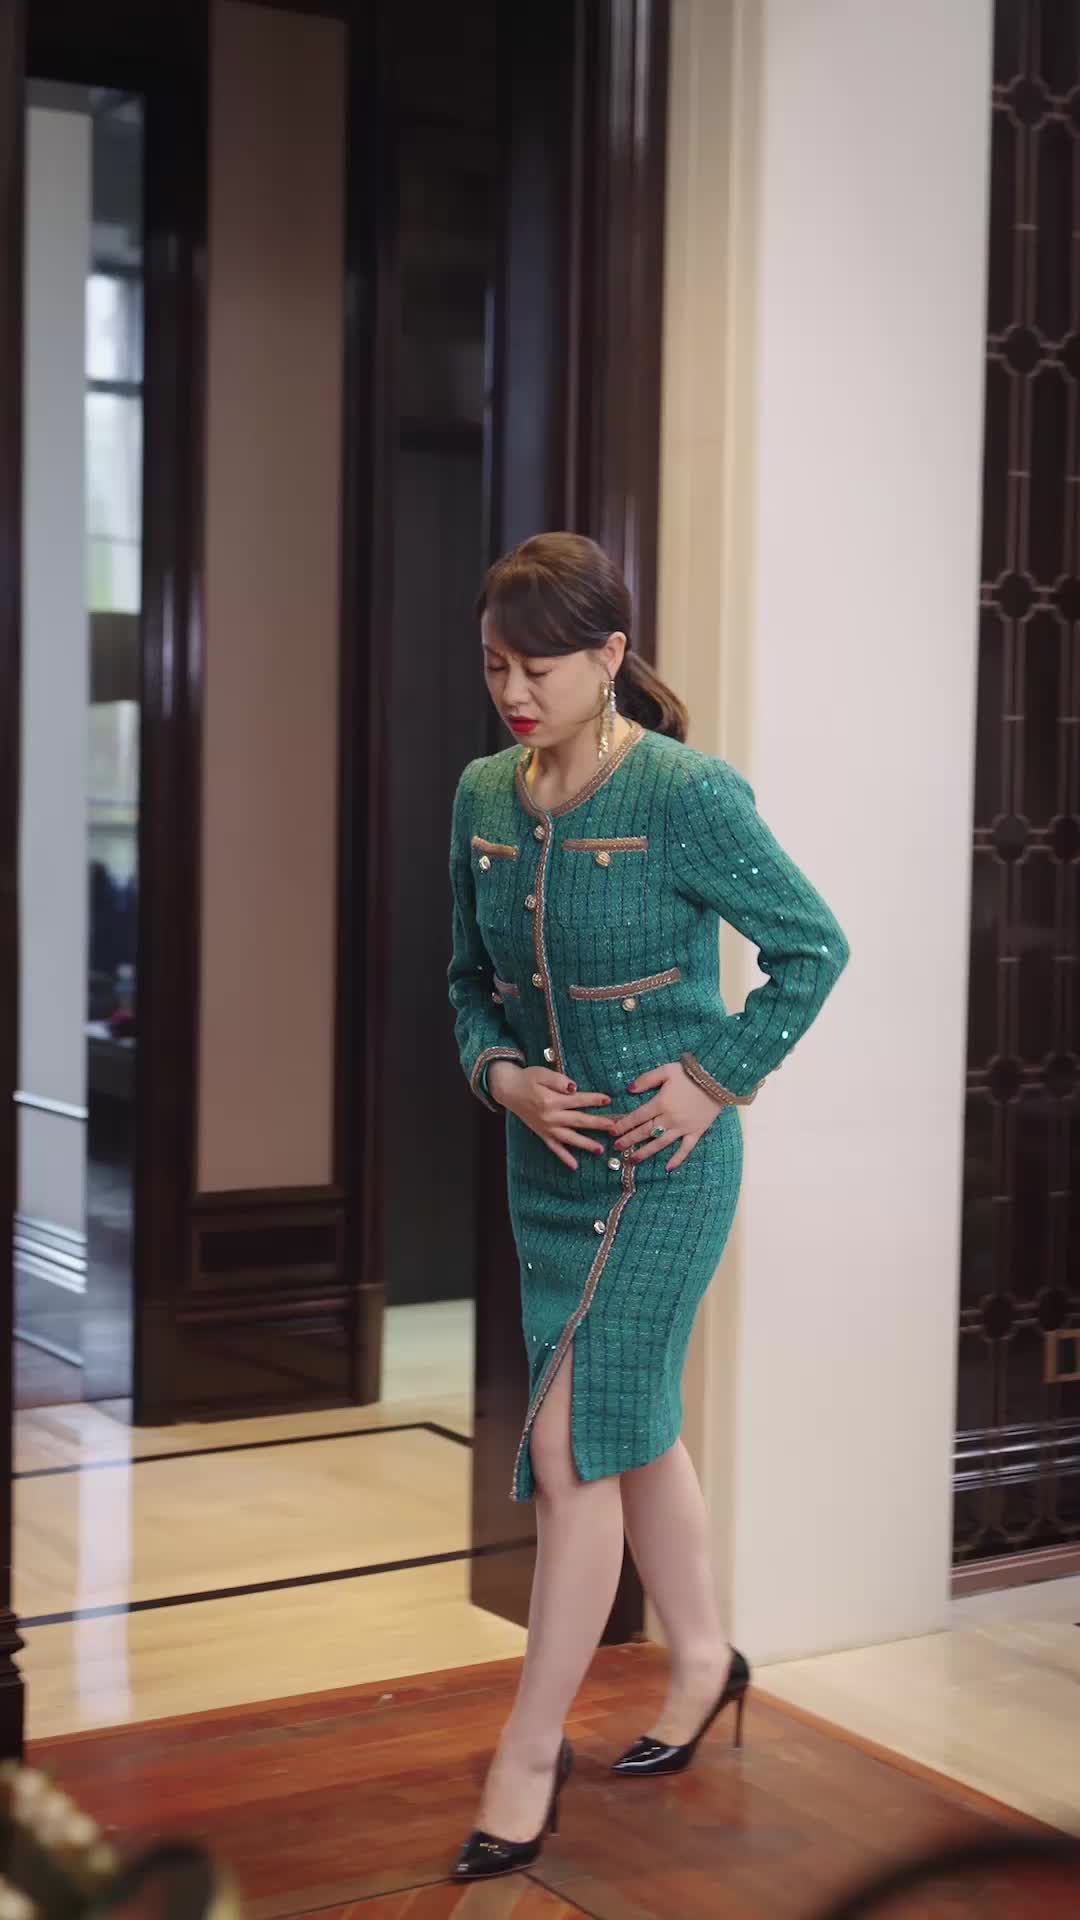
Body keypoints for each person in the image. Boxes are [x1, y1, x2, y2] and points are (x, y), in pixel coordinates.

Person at [447, 532, 848, 1879]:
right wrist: (503, 1078)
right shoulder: (482, 795)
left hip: (668, 1171)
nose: (515, 694)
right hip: (548, 1172)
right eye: (496, 667)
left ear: (611, 656)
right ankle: (705, 1658)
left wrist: (715, 1078)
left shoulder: (687, 793)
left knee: (571, 1449)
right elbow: (465, 983)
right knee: (631, 1427)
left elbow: (812, 947)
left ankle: (526, 1754)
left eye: (541, 668)